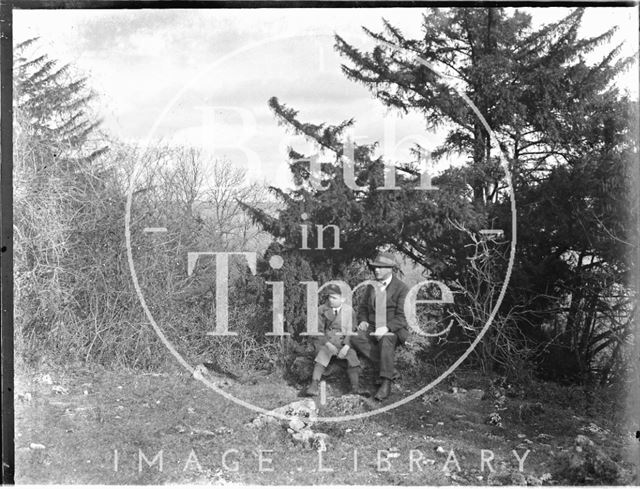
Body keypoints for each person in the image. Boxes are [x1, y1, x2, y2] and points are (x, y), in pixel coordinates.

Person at [350, 252, 410, 401]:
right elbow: (363, 307)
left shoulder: (402, 288)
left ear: (390, 269)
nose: (376, 270)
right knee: (355, 338)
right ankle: (390, 370)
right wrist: (363, 320)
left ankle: (386, 382)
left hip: (393, 329)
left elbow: (403, 317)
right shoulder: (372, 286)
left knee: (386, 339)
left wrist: (387, 328)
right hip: (372, 326)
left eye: (381, 268)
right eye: (375, 267)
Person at [305, 284, 370, 397]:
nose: (330, 300)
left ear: (343, 299)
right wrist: (329, 345)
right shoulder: (321, 309)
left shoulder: (349, 311)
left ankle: (355, 387)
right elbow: (318, 331)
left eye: (334, 298)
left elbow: (352, 331)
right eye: (329, 297)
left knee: (352, 355)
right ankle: (314, 385)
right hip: (326, 341)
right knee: (322, 354)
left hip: (343, 341)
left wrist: (346, 346)